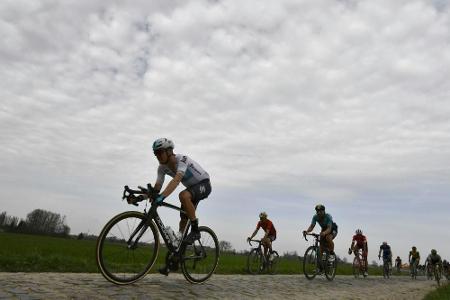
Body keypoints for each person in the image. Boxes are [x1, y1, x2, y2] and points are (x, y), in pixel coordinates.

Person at [140, 138, 211, 276]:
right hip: (192, 190)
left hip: (204, 184)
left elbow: (177, 180)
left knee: (183, 195)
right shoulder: (162, 168)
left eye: (160, 152)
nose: (158, 156)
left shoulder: (182, 160)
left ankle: (196, 230)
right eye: (156, 154)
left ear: (169, 151)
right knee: (182, 227)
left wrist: (162, 197)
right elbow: (157, 187)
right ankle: (174, 261)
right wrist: (142, 196)